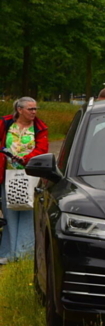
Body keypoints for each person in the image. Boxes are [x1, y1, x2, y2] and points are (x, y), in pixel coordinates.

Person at [0, 97, 48, 262]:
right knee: (10, 213)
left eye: (35, 109)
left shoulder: (39, 127)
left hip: (30, 176)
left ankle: (25, 255)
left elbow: (42, 149)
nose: (34, 112)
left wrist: (26, 159)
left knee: (28, 212)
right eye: (30, 109)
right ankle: (9, 253)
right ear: (20, 110)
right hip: (7, 176)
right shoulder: (6, 124)